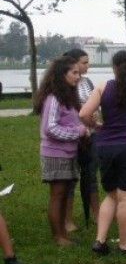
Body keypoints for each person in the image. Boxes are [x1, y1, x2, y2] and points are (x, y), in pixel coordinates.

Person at [81, 51, 126, 255]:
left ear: (114, 68)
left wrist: (95, 124)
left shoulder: (103, 87)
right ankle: (124, 246)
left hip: (105, 146)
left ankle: (100, 241)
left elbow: (84, 113)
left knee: (111, 195)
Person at [35, 55, 90, 246]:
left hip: (68, 153)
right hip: (55, 154)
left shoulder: (68, 98)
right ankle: (58, 237)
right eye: (74, 73)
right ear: (62, 75)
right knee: (58, 195)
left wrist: (83, 130)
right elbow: (50, 128)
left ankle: (63, 234)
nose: (78, 76)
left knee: (64, 193)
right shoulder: (54, 98)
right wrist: (78, 132)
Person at [63, 48, 100, 231]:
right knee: (70, 179)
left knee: (92, 176)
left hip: (91, 135)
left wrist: (95, 115)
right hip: (73, 137)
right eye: (84, 62)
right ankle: (67, 220)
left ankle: (97, 214)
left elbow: (95, 104)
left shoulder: (88, 82)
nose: (87, 65)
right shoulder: (65, 85)